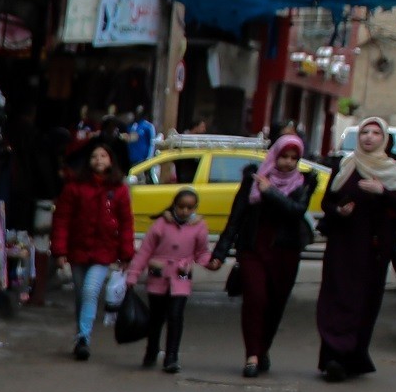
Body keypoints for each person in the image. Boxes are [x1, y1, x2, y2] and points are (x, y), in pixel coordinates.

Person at [316, 114, 396, 381]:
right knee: (336, 296)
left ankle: (352, 356)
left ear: (385, 139)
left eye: (375, 133)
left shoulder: (392, 169)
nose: (369, 137)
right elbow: (327, 201)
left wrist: (382, 191)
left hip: (372, 248)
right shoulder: (346, 165)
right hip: (342, 245)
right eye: (364, 133)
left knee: (363, 300)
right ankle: (333, 357)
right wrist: (339, 210)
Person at [212, 132, 312, 378]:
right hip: (253, 249)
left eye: (294, 158)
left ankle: (263, 348)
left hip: (285, 253)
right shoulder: (254, 180)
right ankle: (252, 356)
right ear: (274, 155)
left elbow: (296, 211)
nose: (288, 162)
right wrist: (220, 253)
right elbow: (236, 218)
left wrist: (271, 192)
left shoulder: (302, 183)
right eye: (284, 156)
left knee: (275, 305)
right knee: (255, 300)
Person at [52, 140, 134, 360]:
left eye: (103, 156)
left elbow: (126, 223)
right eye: (94, 156)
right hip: (77, 250)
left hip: (103, 252)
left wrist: (126, 253)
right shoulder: (74, 187)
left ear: (111, 161)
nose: (99, 160)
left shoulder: (119, 190)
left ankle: (83, 338)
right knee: (81, 294)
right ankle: (81, 334)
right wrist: (59, 251)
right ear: (88, 161)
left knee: (90, 290)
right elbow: (62, 220)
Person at [124, 186, 218, 374]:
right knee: (156, 317)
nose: (184, 211)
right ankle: (151, 350)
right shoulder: (161, 224)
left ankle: (172, 356)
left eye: (189, 208)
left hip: (181, 274)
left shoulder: (199, 226)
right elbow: (145, 251)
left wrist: (211, 263)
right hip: (159, 275)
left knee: (176, 316)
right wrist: (133, 274)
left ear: (195, 208)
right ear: (174, 205)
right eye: (181, 207)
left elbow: (201, 252)